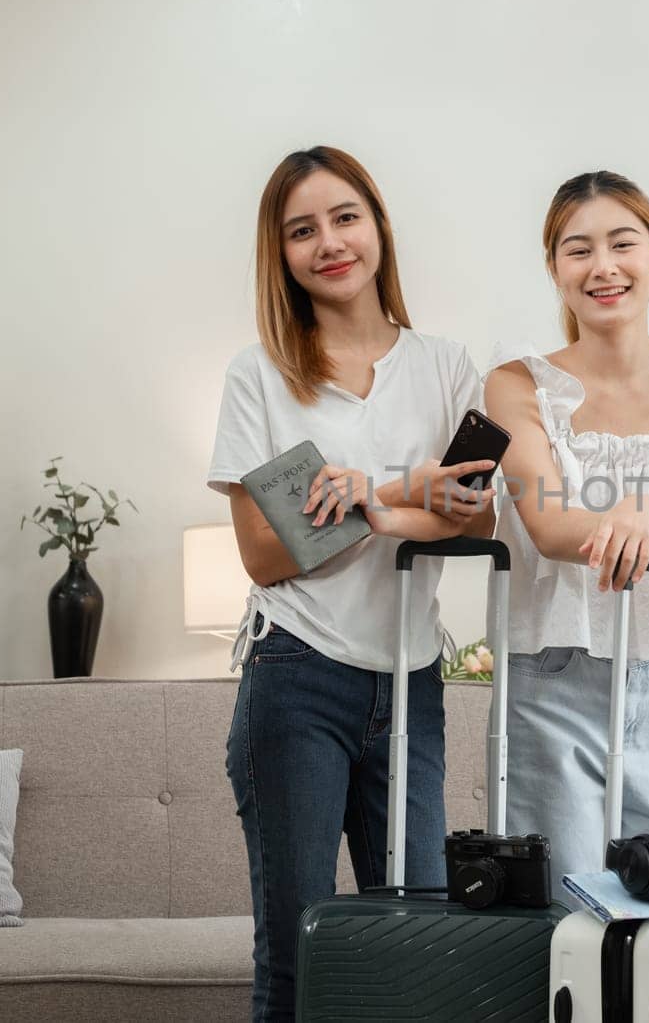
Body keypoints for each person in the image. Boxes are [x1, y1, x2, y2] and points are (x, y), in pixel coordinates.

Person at [206, 146, 495, 1021]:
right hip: (296, 675)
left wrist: (360, 490)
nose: (328, 243)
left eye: (344, 217)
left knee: (418, 948)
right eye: (302, 230)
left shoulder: (445, 367)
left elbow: (476, 520)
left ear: (377, 226)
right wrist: (412, 494)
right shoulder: (261, 373)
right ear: (281, 253)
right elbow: (262, 555)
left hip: (411, 683)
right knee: (299, 954)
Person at [482, 169, 649, 897]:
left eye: (622, 243)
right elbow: (547, 523)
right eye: (578, 250)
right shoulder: (517, 384)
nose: (603, 266)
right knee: (564, 909)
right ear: (555, 269)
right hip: (550, 674)